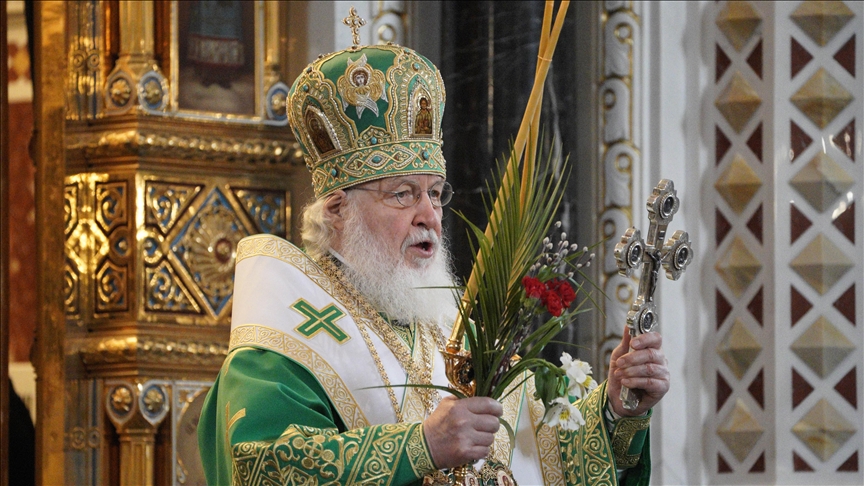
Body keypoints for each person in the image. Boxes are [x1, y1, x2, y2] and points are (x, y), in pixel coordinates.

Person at [198, 39, 669, 486]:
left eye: (436, 194)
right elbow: (261, 464)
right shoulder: (288, 330)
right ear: (338, 211)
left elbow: (538, 457)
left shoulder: (448, 327)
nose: (430, 216)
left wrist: (617, 409)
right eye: (403, 194)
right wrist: (420, 446)